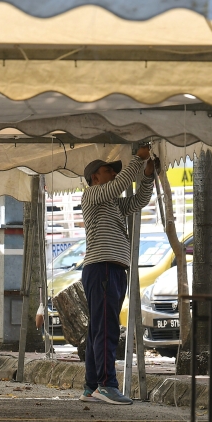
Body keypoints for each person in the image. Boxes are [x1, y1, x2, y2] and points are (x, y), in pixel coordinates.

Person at [79, 147, 156, 405]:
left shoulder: (110, 202)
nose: (113, 174)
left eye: (114, 171)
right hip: (102, 267)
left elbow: (138, 201)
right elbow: (120, 186)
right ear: (94, 178)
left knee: (98, 329)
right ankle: (106, 384)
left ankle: (92, 386)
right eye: (107, 170)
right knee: (106, 328)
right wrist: (138, 159)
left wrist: (147, 176)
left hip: (110, 268)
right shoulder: (92, 194)